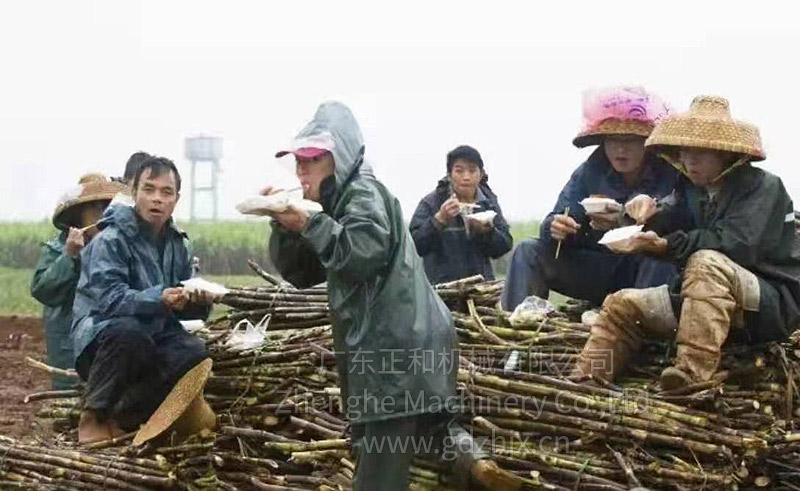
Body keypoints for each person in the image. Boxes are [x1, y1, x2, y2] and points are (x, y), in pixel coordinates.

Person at [265, 102, 517, 490]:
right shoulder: (337, 202)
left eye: (313, 159)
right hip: (420, 336)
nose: (301, 170)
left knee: (378, 463)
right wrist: (285, 224)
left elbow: (362, 254)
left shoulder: (361, 193)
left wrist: (311, 222)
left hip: (394, 348)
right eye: (298, 160)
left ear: (340, 157)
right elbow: (303, 273)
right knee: (433, 427)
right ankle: (474, 463)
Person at [573, 95, 800, 390]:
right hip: (703, 302)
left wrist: (666, 247)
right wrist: (636, 217)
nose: (690, 160)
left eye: (701, 153)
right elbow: (668, 216)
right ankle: (587, 379)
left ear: (726, 154)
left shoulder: (763, 187)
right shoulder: (691, 189)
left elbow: (737, 245)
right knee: (622, 304)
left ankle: (692, 376)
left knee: (705, 261)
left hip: (769, 304)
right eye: (686, 151)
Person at [71, 156, 215, 444]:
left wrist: (198, 301)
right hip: (102, 340)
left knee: (194, 352)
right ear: (133, 192)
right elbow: (109, 301)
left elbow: (183, 312)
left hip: (152, 338)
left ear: (176, 199)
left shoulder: (179, 244)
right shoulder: (110, 239)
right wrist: (158, 298)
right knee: (131, 333)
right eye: (148, 190)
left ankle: (125, 415)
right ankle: (93, 416)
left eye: (166, 192)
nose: (157, 199)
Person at [502, 86, 679, 310]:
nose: (620, 149)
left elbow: (678, 218)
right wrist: (555, 228)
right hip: (598, 268)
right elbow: (562, 213)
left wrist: (631, 220)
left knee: (660, 261)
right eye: (612, 140)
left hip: (647, 270)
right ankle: (518, 327)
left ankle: (640, 335)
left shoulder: (669, 173)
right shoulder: (589, 172)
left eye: (630, 140)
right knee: (528, 250)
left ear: (646, 142)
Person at [30, 174, 127, 389]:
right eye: (96, 210)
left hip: (110, 341)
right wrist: (70, 256)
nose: (104, 216)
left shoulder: (118, 246)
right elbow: (41, 289)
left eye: (108, 207)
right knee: (69, 402)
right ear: (79, 216)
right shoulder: (58, 248)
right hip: (68, 345)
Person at [410, 145, 513, 284]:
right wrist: (439, 220)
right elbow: (415, 245)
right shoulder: (432, 202)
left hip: (481, 288)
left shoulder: (488, 203)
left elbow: (504, 245)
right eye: (459, 171)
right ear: (449, 174)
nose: (466, 177)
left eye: (472, 171)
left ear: (481, 174)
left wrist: (488, 232)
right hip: (440, 290)